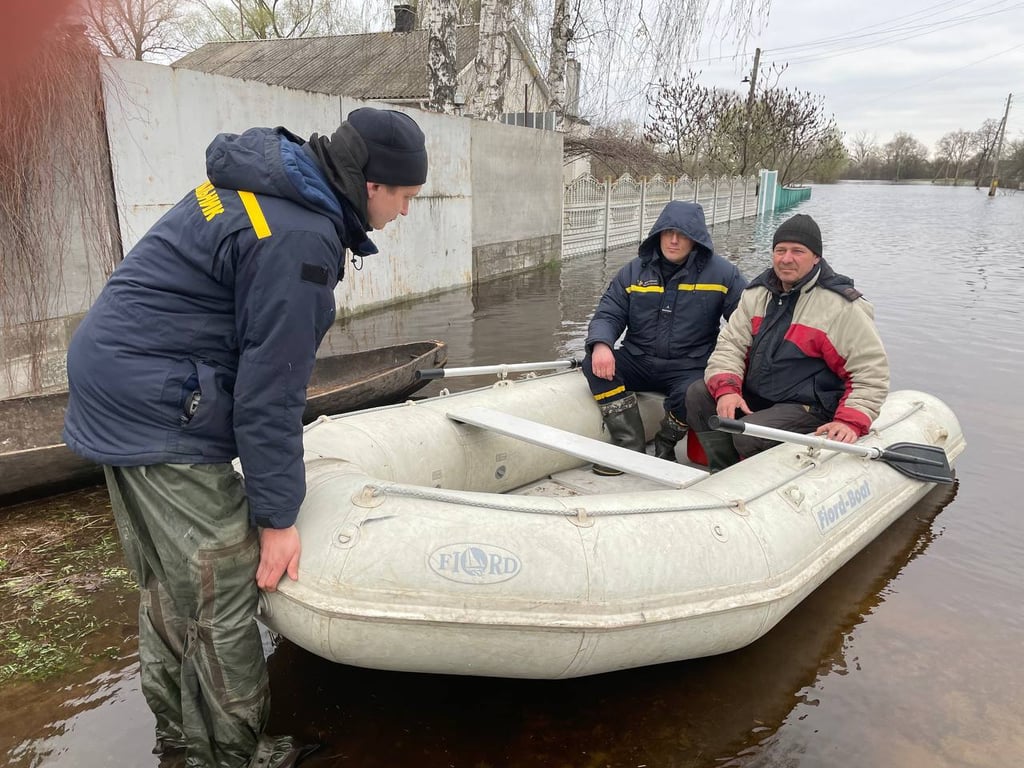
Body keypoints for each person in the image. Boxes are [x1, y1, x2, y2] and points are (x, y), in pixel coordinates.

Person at [62, 107, 428, 768]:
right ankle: (233, 756)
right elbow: (270, 394)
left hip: (112, 378)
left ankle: (179, 742)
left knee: (171, 589)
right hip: (156, 400)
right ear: (372, 184)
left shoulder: (260, 181)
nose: (405, 212)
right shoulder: (300, 237)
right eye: (405, 196)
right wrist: (278, 517)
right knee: (223, 584)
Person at [685, 213, 890, 471]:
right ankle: (723, 470)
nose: (786, 259)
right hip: (762, 394)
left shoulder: (841, 306)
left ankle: (754, 477)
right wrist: (728, 389)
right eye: (780, 250)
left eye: (797, 251)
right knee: (698, 395)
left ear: (816, 257)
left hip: (810, 405)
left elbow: (870, 371)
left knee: (750, 434)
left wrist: (850, 422)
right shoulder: (756, 294)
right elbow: (730, 346)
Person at [582, 200, 747, 474]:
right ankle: (629, 444)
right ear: (657, 234)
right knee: (593, 364)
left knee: (695, 392)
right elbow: (608, 313)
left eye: (682, 235)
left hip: (690, 366)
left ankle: (665, 443)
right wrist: (601, 344)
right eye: (667, 233)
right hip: (639, 359)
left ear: (696, 239)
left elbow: (743, 324)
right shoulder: (634, 271)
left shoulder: (723, 274)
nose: (673, 241)